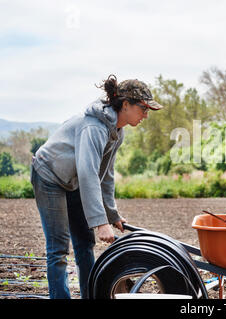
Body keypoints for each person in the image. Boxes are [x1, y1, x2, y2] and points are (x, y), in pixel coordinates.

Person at [30, 74, 163, 299]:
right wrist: (100, 222)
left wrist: (112, 215)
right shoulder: (94, 127)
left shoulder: (117, 132)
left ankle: (91, 297)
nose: (146, 115)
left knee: (84, 242)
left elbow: (106, 175)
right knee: (59, 248)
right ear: (126, 105)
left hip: (73, 180)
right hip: (49, 175)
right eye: (143, 108)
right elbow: (88, 172)